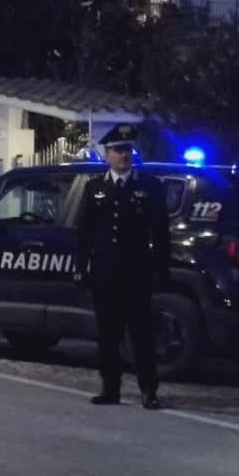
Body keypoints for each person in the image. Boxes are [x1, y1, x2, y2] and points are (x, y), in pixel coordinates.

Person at [73, 124, 171, 409]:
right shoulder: (95, 188)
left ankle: (148, 390)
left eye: (128, 150)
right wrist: (81, 267)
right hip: (105, 273)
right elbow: (85, 231)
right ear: (107, 154)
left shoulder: (149, 187)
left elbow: (160, 231)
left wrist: (160, 267)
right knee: (108, 334)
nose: (124, 155)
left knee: (141, 334)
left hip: (136, 273)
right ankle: (110, 388)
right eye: (118, 150)